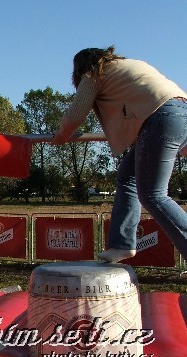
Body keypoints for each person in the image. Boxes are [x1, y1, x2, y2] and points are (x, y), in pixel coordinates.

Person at [52, 46, 187, 263]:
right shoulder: (129, 66)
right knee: (128, 175)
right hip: (180, 112)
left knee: (153, 194)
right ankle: (121, 244)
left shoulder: (96, 72)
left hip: (161, 118)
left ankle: (123, 244)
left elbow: (76, 113)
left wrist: (61, 135)